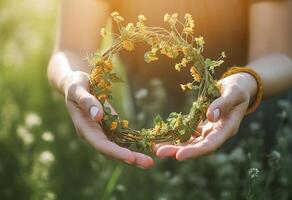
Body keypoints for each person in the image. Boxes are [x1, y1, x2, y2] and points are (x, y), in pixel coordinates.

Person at [48, 0, 292, 169]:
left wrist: (249, 81)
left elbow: (277, 54)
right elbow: (72, 48)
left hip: (255, 121)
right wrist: (73, 80)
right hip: (150, 136)